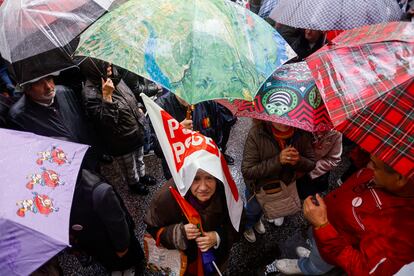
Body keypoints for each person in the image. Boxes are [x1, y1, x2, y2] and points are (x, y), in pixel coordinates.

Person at [275, 156, 414, 275]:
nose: (368, 167)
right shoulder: (383, 178)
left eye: (375, 165)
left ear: (400, 178)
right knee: (315, 246)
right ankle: (312, 254)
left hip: (332, 247)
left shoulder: (402, 231)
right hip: (326, 229)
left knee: (318, 263)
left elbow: (363, 270)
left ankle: (304, 267)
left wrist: (323, 226)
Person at [80, 59, 156, 195]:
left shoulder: (115, 76)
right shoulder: (90, 93)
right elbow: (105, 123)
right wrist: (107, 96)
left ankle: (142, 175)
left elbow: (129, 96)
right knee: (129, 166)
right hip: (120, 138)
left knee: (139, 157)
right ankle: (134, 183)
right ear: (93, 66)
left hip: (135, 127)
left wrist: (137, 107)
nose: (109, 63)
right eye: (103, 62)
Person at [144, 169, 239, 274]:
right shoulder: (167, 196)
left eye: (209, 178)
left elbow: (239, 223)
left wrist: (217, 237)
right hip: (185, 265)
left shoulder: (227, 191)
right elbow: (153, 230)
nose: (203, 187)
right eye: (195, 179)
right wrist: (178, 233)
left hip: (217, 259)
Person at [241, 120, 315, 243]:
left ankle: (257, 219)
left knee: (266, 209)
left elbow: (311, 163)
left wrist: (299, 161)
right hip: (259, 188)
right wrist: (277, 161)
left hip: (283, 187)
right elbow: (248, 171)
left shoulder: (302, 134)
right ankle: (248, 227)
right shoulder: (257, 133)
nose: (284, 122)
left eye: (287, 116)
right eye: (278, 116)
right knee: (252, 210)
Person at [7, 74, 100, 170]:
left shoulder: (64, 91)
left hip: (89, 154)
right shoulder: (18, 116)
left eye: (48, 78)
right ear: (27, 89)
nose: (48, 86)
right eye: (38, 83)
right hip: (66, 167)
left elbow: (82, 121)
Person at [70, 169, 145, 275]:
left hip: (111, 238)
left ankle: (130, 266)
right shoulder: (57, 197)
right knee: (108, 258)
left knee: (125, 256)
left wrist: (122, 247)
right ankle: (116, 267)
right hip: (95, 240)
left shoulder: (98, 191)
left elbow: (118, 224)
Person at [155, 92, 236, 179]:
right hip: (179, 172)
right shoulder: (161, 107)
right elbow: (158, 149)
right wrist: (177, 131)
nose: (186, 95)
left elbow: (217, 135)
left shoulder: (207, 101)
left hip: (205, 166)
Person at [296, 130, 342, 199]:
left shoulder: (336, 134)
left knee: (303, 194)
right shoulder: (303, 126)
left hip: (314, 174)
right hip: (297, 166)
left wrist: (311, 169)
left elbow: (333, 159)